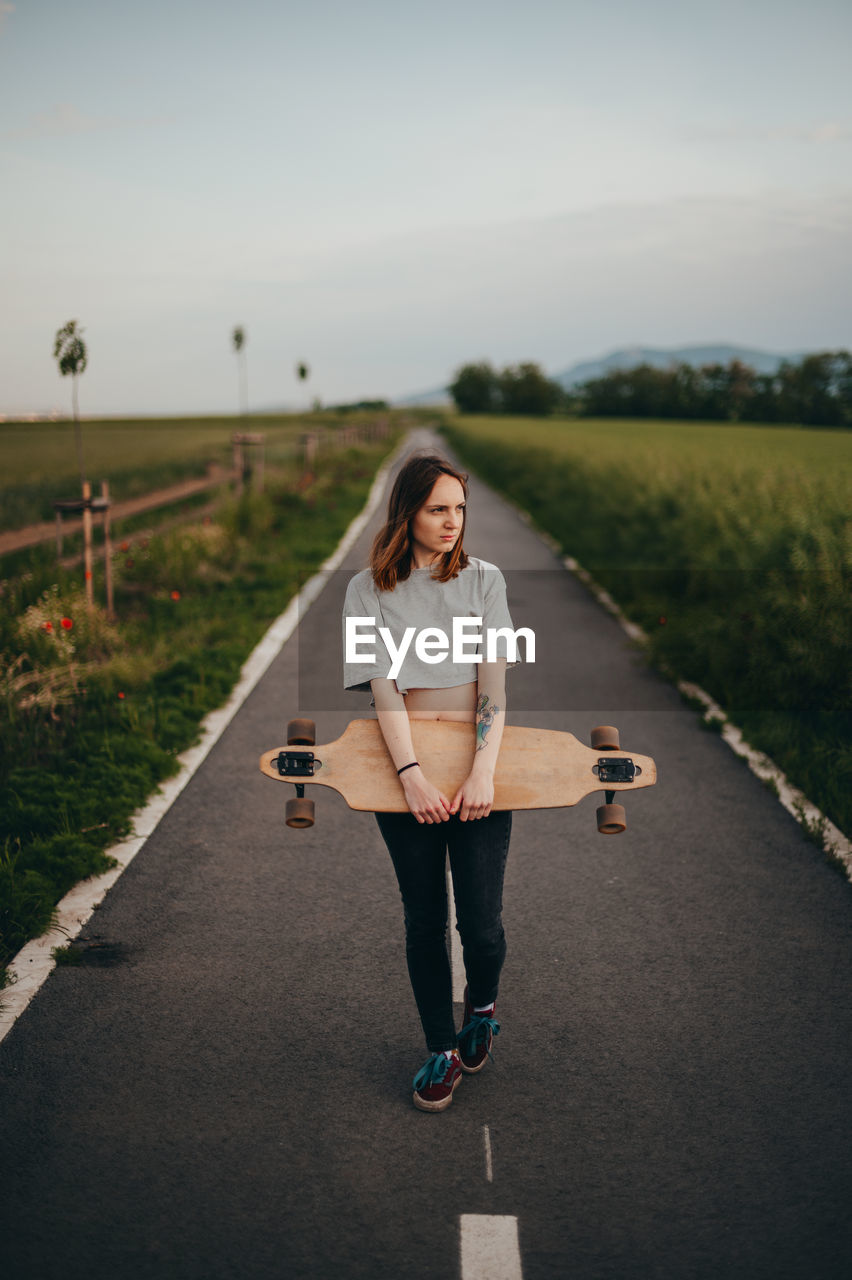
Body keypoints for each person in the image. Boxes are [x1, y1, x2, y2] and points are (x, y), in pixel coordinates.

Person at [342, 452, 520, 1112]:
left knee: (483, 926)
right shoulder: (368, 591)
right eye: (438, 508)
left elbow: (494, 687)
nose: (453, 522)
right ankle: (441, 1051)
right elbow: (384, 693)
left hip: (479, 773)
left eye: (460, 509)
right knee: (425, 920)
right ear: (408, 512)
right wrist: (411, 777)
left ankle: (482, 1010)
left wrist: (482, 771)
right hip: (405, 777)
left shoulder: (483, 581)